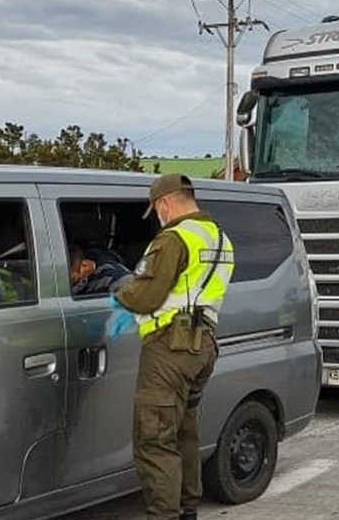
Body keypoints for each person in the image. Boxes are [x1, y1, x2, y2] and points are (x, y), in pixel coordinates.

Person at [109, 174, 235, 520]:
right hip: (203, 345)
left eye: (157, 210)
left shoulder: (173, 238)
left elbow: (147, 294)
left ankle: (164, 514)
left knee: (154, 439)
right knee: (183, 433)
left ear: (164, 203)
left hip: (170, 349)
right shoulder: (219, 238)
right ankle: (188, 509)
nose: (158, 216)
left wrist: (119, 294)